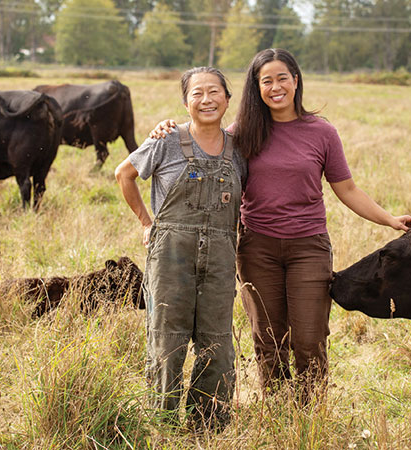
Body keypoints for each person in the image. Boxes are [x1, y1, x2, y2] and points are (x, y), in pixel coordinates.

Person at [149, 48, 411, 402]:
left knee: (309, 337)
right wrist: (168, 128)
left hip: (309, 247)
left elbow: (348, 189)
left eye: (282, 78)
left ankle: (309, 416)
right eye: (266, 81)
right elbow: (203, 139)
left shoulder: (322, 132)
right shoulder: (242, 133)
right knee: (268, 338)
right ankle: (277, 411)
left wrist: (390, 220)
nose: (275, 87)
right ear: (256, 88)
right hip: (257, 248)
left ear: (296, 81)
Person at [115, 66, 247, 429]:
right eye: (197, 93)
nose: (206, 100)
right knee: (167, 338)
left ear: (227, 99)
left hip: (221, 254)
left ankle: (208, 422)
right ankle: (163, 420)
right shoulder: (167, 139)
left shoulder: (240, 149)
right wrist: (146, 221)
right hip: (171, 252)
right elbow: (123, 174)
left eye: (214, 92)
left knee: (217, 341)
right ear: (185, 102)